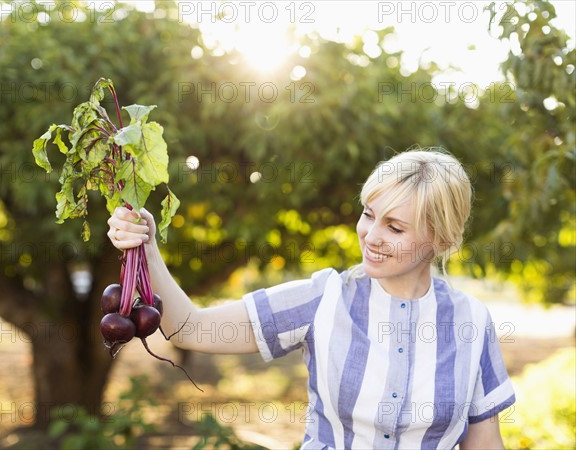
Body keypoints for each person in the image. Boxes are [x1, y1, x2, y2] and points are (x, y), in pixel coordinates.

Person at [107, 148, 516, 449]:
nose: (371, 236)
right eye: (369, 215)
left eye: (394, 227)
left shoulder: (471, 321)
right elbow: (190, 328)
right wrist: (147, 245)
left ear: (440, 238)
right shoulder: (324, 297)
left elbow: (483, 442)